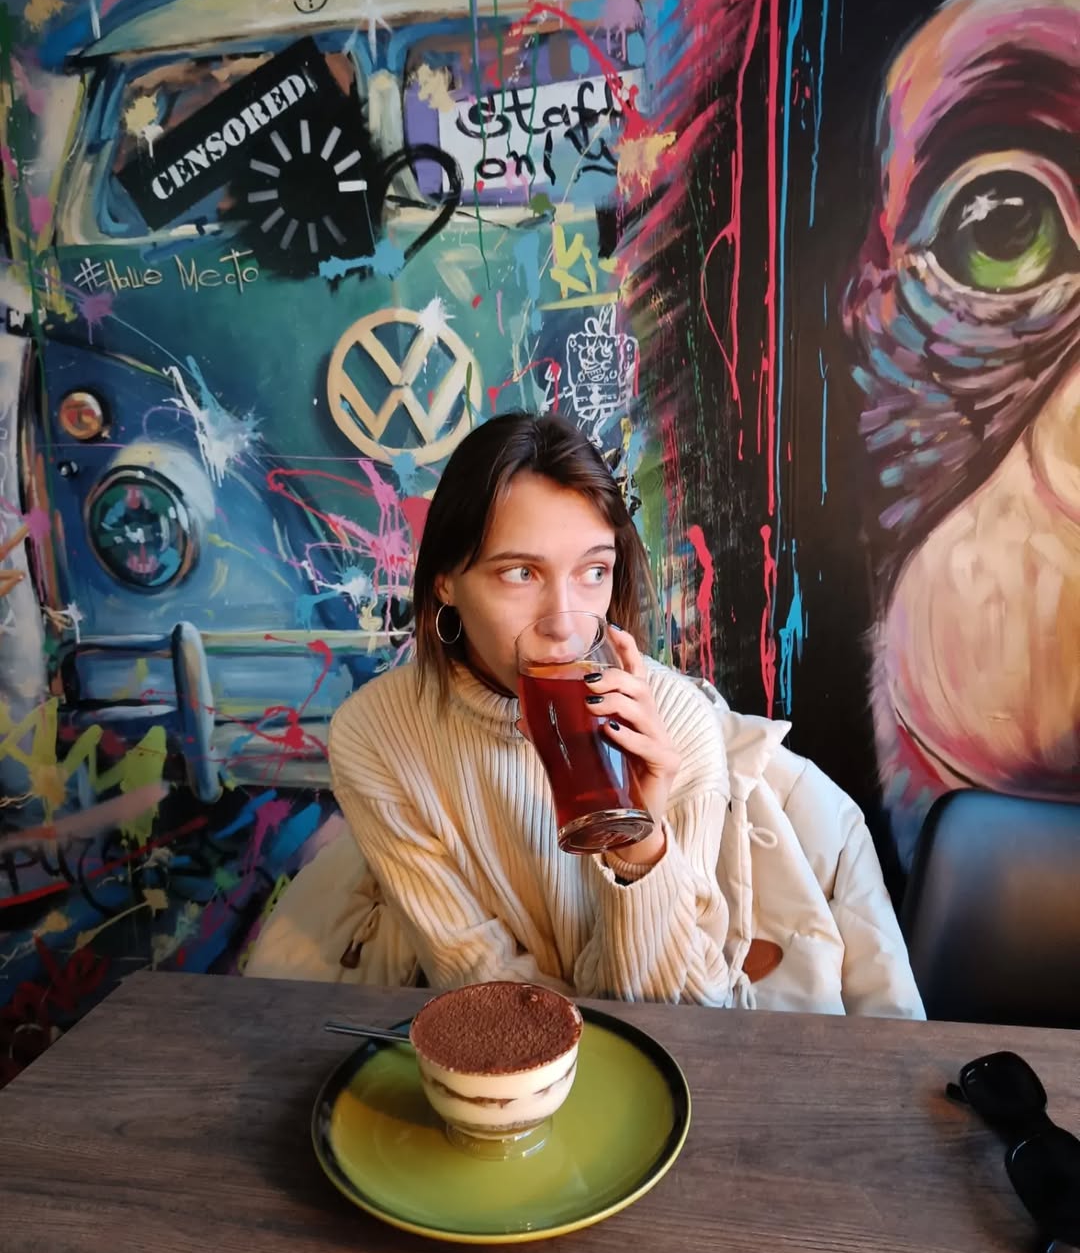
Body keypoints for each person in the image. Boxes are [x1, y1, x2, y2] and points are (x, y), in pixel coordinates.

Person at [247, 413, 924, 1018]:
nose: (564, 624)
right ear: (447, 582)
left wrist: (639, 846)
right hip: (512, 1064)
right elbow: (476, 975)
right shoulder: (375, 736)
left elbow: (681, 1014)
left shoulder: (674, 722)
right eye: (520, 573)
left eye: (593, 571)